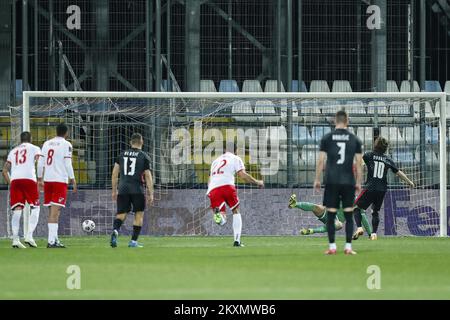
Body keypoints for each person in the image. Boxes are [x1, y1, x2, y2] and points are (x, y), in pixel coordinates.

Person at [314, 110, 363, 255]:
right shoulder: (354, 139)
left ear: (335, 121)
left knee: (330, 214)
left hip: (331, 181)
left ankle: (332, 247)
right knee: (348, 214)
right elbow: (359, 163)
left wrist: (317, 179)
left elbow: (321, 160)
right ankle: (348, 247)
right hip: (348, 181)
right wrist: (359, 182)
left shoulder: (327, 138)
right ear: (347, 121)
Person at [353, 136, 415, 240]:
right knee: (375, 211)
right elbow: (398, 172)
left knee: (356, 208)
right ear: (385, 148)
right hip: (382, 189)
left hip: (370, 187)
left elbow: (359, 165)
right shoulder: (388, 159)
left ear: (375, 145)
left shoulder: (369, 155)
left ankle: (359, 228)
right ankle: (373, 234)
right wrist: (409, 182)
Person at [207, 142, 264, 247]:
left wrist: (209, 191)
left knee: (222, 220)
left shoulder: (215, 161)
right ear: (236, 150)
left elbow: (210, 178)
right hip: (227, 186)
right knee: (236, 211)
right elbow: (242, 175)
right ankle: (237, 241)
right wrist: (257, 182)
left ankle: (219, 215)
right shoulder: (235, 158)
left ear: (224, 149)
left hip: (213, 189)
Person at [111, 133, 154, 248]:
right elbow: (148, 176)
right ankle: (133, 242)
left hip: (123, 188)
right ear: (142, 142)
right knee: (139, 214)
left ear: (130, 142)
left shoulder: (121, 155)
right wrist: (151, 193)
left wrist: (114, 190)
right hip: (137, 189)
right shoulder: (144, 157)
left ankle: (115, 230)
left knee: (121, 213)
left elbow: (115, 173)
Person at [38, 123, 77, 248]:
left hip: (48, 180)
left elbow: (40, 162)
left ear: (56, 131)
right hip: (59, 180)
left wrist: (40, 178)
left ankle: (54, 239)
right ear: (66, 133)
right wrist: (73, 178)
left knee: (53, 212)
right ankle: (51, 241)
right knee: (55, 212)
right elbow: (67, 163)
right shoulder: (67, 144)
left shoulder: (46, 143)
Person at [3, 131, 42, 248]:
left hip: (15, 181)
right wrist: (40, 179)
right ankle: (29, 236)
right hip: (29, 179)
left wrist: (12, 184)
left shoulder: (13, 151)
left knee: (17, 209)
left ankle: (15, 239)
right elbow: (40, 164)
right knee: (35, 207)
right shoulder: (35, 148)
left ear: (20, 140)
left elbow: (4, 171)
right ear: (31, 138)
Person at [288, 194, 372, 236]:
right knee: (317, 207)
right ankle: (295, 204)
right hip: (327, 213)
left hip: (335, 221)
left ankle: (311, 231)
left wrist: (370, 234)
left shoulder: (357, 205)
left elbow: (363, 218)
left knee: (339, 224)